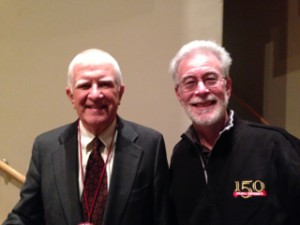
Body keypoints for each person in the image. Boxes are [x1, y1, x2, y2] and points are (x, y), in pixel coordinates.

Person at [3, 49, 171, 225]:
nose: (95, 94)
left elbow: (162, 219)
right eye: (84, 86)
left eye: (105, 84)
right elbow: (25, 217)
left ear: (120, 93)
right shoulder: (46, 147)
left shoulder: (150, 145)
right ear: (71, 96)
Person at [168, 40, 300, 225]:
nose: (202, 90)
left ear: (227, 87)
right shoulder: (181, 155)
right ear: (179, 94)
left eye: (210, 79)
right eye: (190, 83)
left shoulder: (276, 145)